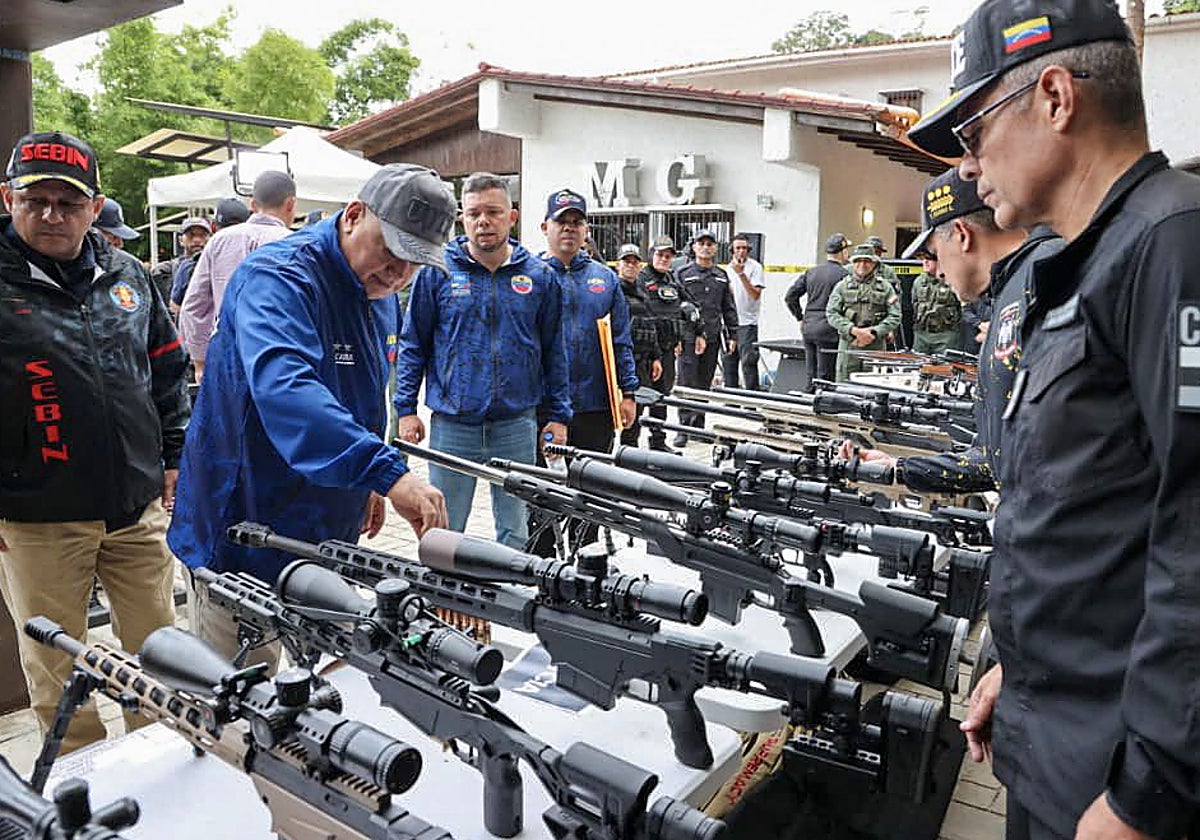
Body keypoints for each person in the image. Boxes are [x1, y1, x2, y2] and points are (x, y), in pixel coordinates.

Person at [908, 1, 1200, 837]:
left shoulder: (1171, 244)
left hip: (1125, 775)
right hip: (1054, 738)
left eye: (972, 134)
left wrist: (1152, 792)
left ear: (1057, 98)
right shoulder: (1074, 269)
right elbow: (1067, 508)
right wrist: (1011, 664)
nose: (970, 166)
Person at [167, 164, 453, 665]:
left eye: (415, 264)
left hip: (323, 529)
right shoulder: (277, 278)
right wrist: (385, 473)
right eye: (391, 252)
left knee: (317, 695)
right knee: (244, 703)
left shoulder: (379, 295)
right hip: (245, 525)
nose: (398, 274)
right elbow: (288, 391)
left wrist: (361, 482)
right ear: (354, 214)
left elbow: (362, 396)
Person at [0, 131, 190, 753]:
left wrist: (174, 456)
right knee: (56, 672)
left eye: (69, 201)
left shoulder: (126, 271)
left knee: (161, 651)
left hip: (135, 510)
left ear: (94, 204)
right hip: (38, 518)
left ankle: (159, 768)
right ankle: (81, 785)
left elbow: (166, 368)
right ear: (8, 199)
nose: (53, 214)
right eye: (37, 199)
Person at [843, 167, 1059, 497]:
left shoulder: (1049, 275)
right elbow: (992, 461)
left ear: (961, 234)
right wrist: (898, 470)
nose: (937, 270)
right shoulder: (1010, 292)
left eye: (932, 254)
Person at [394, 172, 570, 549]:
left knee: (515, 531)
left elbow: (556, 351)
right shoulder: (438, 272)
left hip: (517, 425)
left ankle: (510, 602)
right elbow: (413, 343)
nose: (483, 221)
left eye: (493, 212)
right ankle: (441, 602)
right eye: (473, 213)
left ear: (512, 216)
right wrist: (405, 409)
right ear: (462, 217)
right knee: (443, 526)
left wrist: (558, 415)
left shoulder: (539, 276)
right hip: (453, 425)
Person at [530, 188, 637, 554]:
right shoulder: (527, 276)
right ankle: (539, 566)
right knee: (540, 493)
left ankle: (585, 566)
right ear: (545, 226)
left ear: (586, 229)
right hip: (541, 409)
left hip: (594, 406)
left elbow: (621, 339)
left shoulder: (604, 279)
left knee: (589, 494)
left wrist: (628, 392)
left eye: (577, 222)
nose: (569, 230)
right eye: (562, 222)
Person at [177, 171, 297, 382]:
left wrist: (199, 361)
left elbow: (194, 305)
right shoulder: (296, 244)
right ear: (291, 204)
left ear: (252, 204)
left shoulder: (219, 240)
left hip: (225, 355)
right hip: (281, 360)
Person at [636, 235, 704, 452]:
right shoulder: (641, 279)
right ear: (651, 255)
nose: (664, 259)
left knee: (661, 398)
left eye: (668, 256)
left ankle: (657, 443)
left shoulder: (672, 281)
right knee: (639, 397)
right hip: (644, 351)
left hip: (667, 350)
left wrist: (697, 328)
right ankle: (630, 446)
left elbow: (692, 305)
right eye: (660, 255)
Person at [673, 229, 737, 446]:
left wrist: (732, 334)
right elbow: (675, 306)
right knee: (686, 381)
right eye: (702, 243)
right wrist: (677, 337)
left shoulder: (721, 275)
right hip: (688, 337)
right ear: (694, 247)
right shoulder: (682, 273)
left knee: (704, 382)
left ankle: (698, 427)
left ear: (715, 248)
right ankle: (682, 428)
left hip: (712, 335)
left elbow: (728, 307)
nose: (706, 247)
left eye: (710, 243)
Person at [825, 244, 900, 382]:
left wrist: (874, 332)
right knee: (844, 386)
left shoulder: (885, 287)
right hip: (849, 344)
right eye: (858, 261)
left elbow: (895, 316)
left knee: (874, 385)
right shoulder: (841, 286)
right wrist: (853, 330)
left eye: (867, 261)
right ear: (853, 263)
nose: (862, 264)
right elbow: (831, 313)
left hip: (875, 346)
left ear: (874, 263)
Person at [784, 233, 849, 390]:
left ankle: (807, 402)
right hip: (829, 328)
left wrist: (800, 318)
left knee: (811, 373)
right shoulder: (845, 276)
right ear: (843, 251)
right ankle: (821, 406)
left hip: (809, 326)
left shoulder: (811, 272)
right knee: (826, 375)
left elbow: (790, 296)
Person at [615, 243, 663, 447]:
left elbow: (650, 326)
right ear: (618, 265)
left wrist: (656, 357)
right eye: (626, 261)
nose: (630, 266)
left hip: (641, 362)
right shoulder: (612, 290)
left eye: (635, 262)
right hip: (618, 361)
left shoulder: (642, 293)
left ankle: (629, 454)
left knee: (637, 411)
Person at [721, 233, 766, 390]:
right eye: (738, 248)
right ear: (732, 250)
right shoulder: (727, 269)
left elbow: (755, 294)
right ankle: (731, 398)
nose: (741, 251)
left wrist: (741, 274)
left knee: (749, 362)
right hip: (729, 323)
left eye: (744, 248)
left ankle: (752, 399)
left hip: (747, 322)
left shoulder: (755, 267)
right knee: (729, 362)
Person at [909, 254, 963, 355]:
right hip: (921, 335)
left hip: (945, 335)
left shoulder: (952, 280)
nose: (925, 262)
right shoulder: (919, 282)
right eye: (924, 259)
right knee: (919, 366)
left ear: (940, 261)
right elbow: (914, 303)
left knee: (943, 367)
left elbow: (962, 307)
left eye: (929, 259)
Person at [166, 215, 212, 316]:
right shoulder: (165, 271)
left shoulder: (216, 266)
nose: (197, 240)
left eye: (202, 235)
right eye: (191, 235)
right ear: (180, 240)